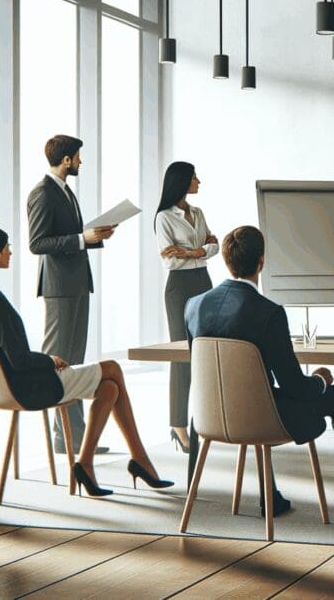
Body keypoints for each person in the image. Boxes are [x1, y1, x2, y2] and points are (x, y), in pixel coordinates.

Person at [184, 226, 334, 525]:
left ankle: (269, 495)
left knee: (258, 394)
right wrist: (321, 380)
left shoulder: (194, 306)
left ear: (226, 260)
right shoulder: (268, 312)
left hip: (212, 419)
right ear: (261, 261)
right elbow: (296, 387)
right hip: (263, 420)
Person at [0, 226, 173, 497]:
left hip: (12, 385)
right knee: (113, 369)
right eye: (8, 248)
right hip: (29, 387)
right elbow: (20, 359)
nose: (12, 252)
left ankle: (86, 463)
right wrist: (50, 360)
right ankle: (139, 460)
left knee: (110, 388)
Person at [27, 134, 115, 456]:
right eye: (78, 157)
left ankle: (72, 438)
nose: (80, 162)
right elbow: (37, 243)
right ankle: (60, 437)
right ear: (66, 160)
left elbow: (70, 237)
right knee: (58, 360)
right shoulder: (42, 193)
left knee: (75, 363)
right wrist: (81, 238)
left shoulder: (66, 193)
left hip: (78, 285)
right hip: (59, 289)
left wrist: (93, 236)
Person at [155, 161, 218, 453]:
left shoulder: (199, 213)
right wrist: (201, 251)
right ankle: (178, 425)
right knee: (182, 356)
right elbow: (170, 260)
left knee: (205, 351)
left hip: (203, 282)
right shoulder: (164, 218)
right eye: (194, 177)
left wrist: (191, 251)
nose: (199, 181)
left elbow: (215, 246)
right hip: (178, 287)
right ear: (182, 181)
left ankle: (206, 421)